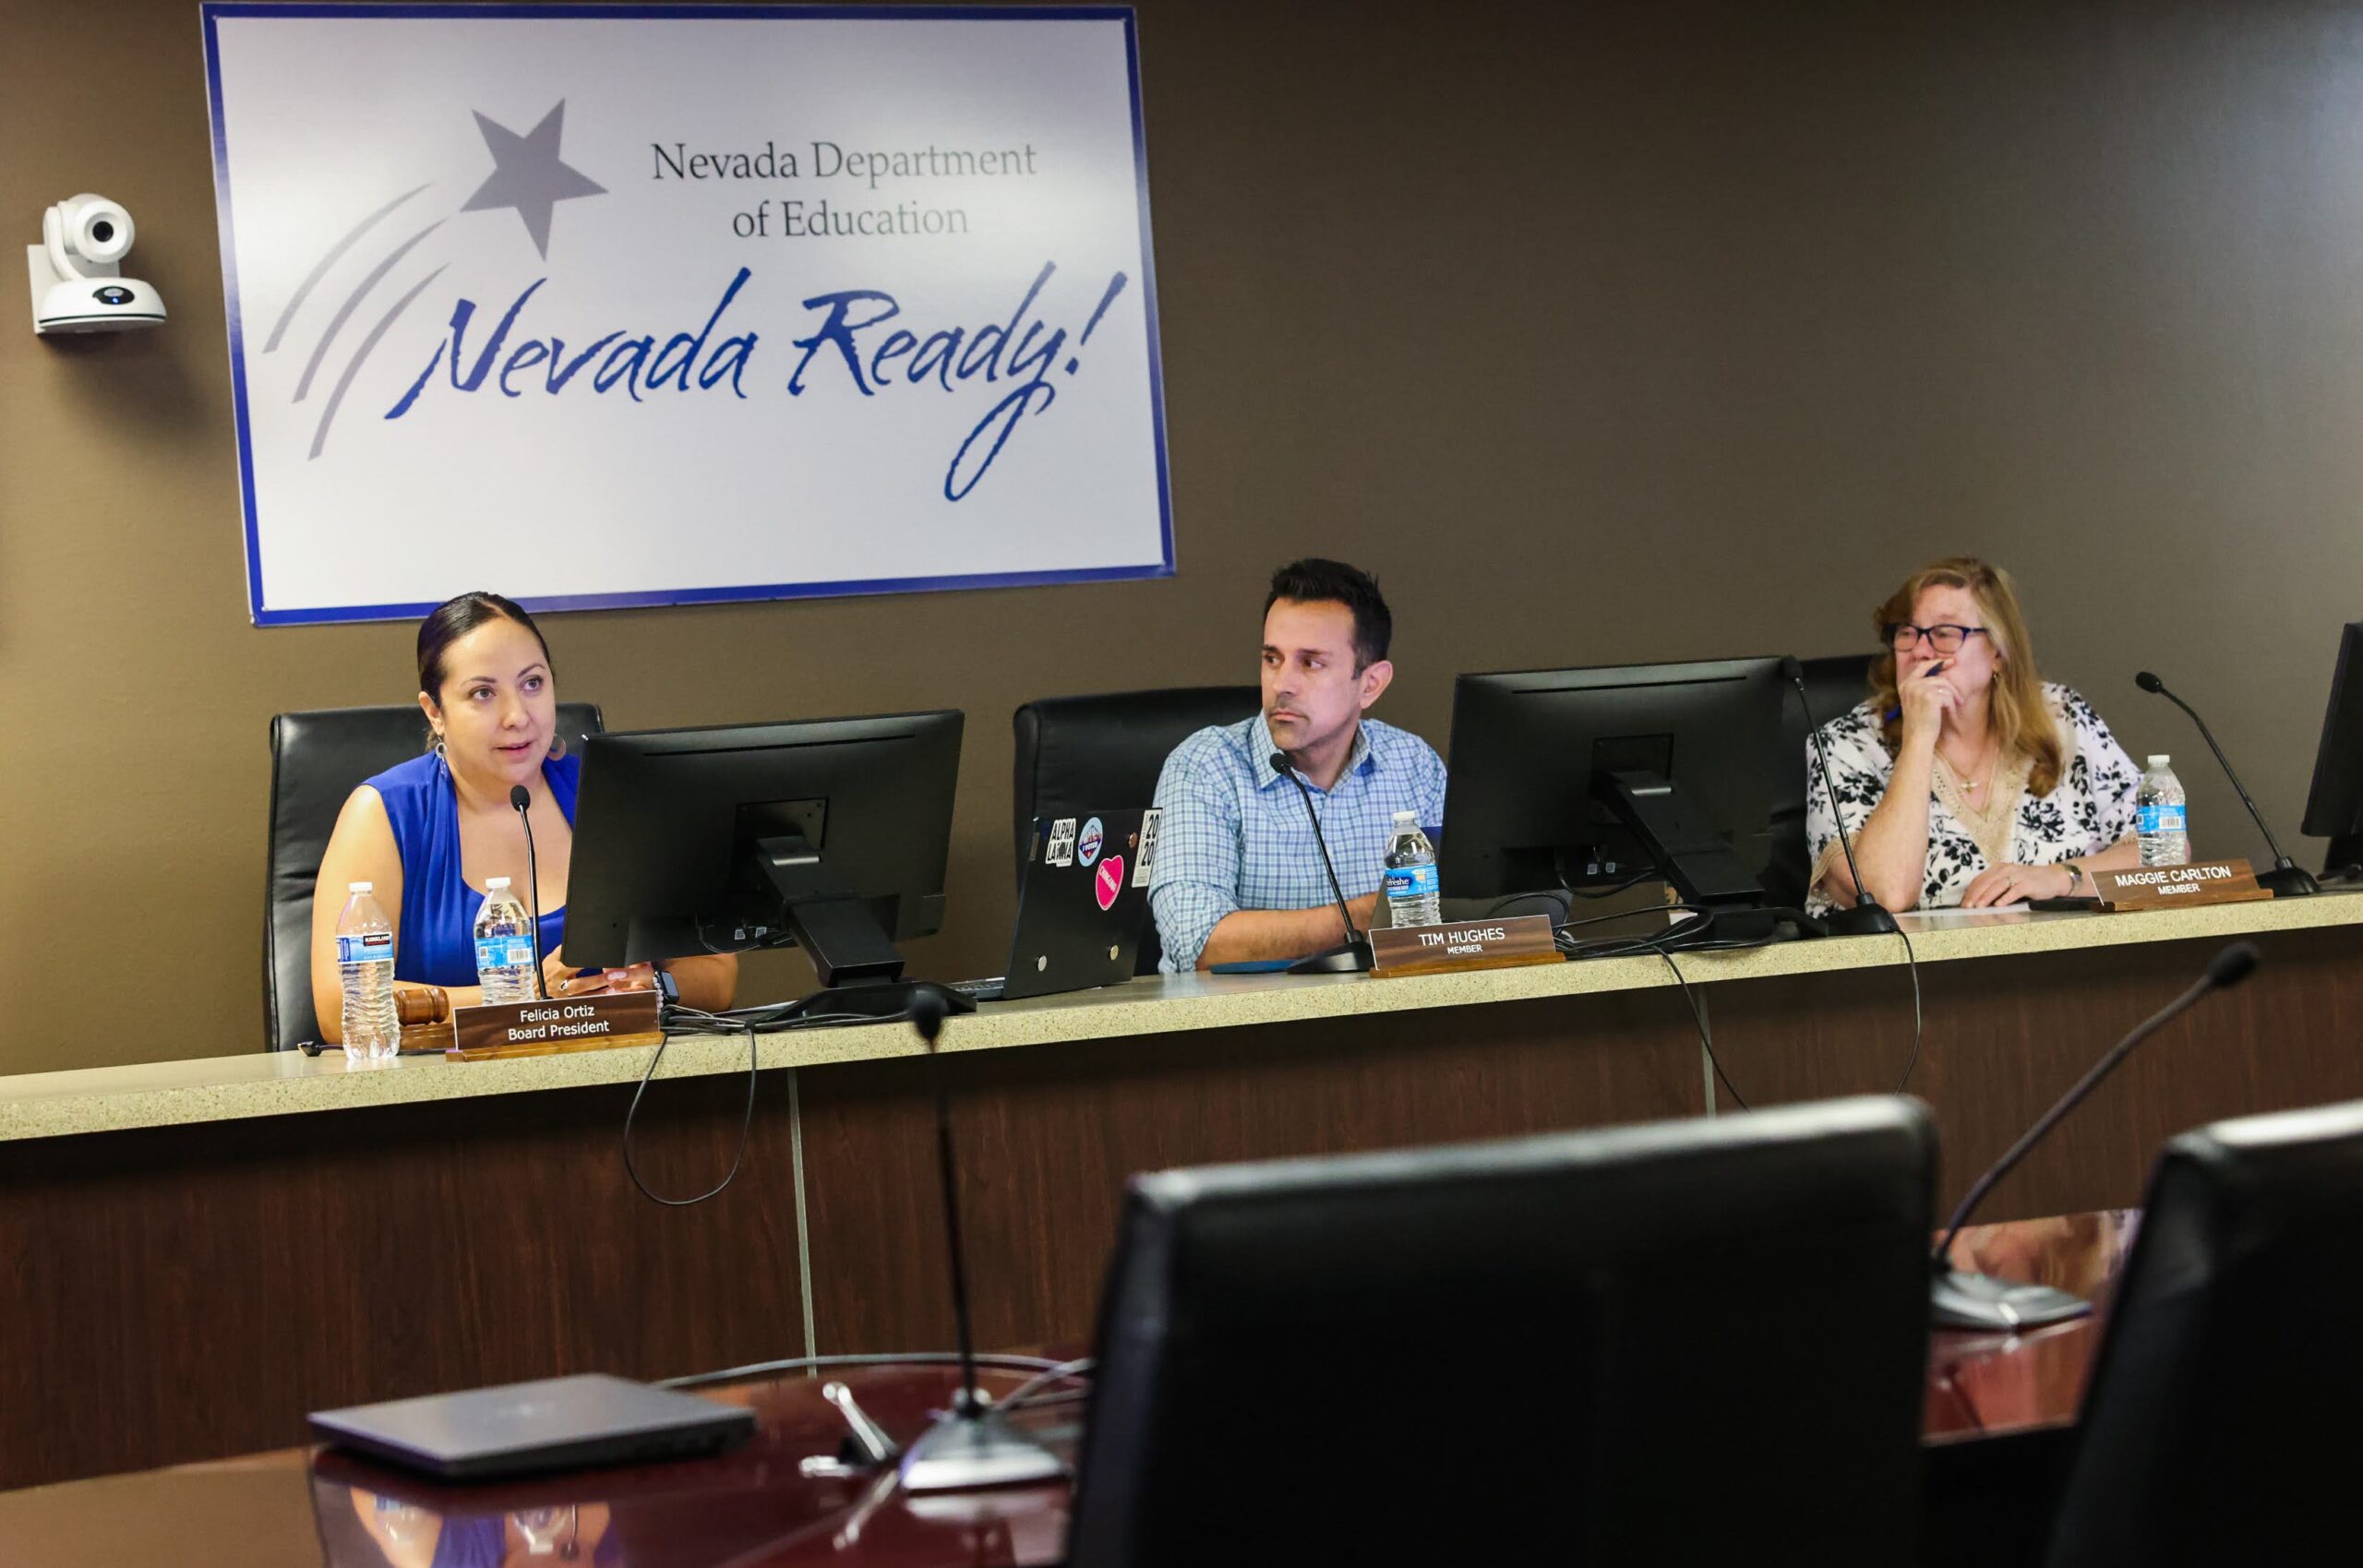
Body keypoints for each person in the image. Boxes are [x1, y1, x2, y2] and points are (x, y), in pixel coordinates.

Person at [310, 592, 736, 1041]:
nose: (517, 716)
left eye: (533, 683)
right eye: (483, 693)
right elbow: (341, 1005)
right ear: (435, 711)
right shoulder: (384, 813)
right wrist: (529, 1000)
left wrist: (654, 988)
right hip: (443, 1097)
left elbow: (717, 975)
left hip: (620, 1087)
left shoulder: (617, 795)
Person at [1150, 558, 1448, 971]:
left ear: (1371, 684)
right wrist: (1373, 916)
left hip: (1389, 1023)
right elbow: (1197, 942)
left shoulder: (1414, 765)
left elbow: (1461, 915)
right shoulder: (1204, 767)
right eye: (1272, 658)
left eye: (1311, 662)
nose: (1281, 684)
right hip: (1241, 1028)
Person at [1806, 557, 2141, 914]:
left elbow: (2162, 852)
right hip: (1918, 968)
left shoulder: (2062, 717)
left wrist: (2061, 878)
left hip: (2079, 961)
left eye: (1945, 633)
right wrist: (1919, 737)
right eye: (1906, 632)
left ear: (1998, 651)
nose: (1920, 650)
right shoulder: (1845, 746)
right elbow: (1885, 894)